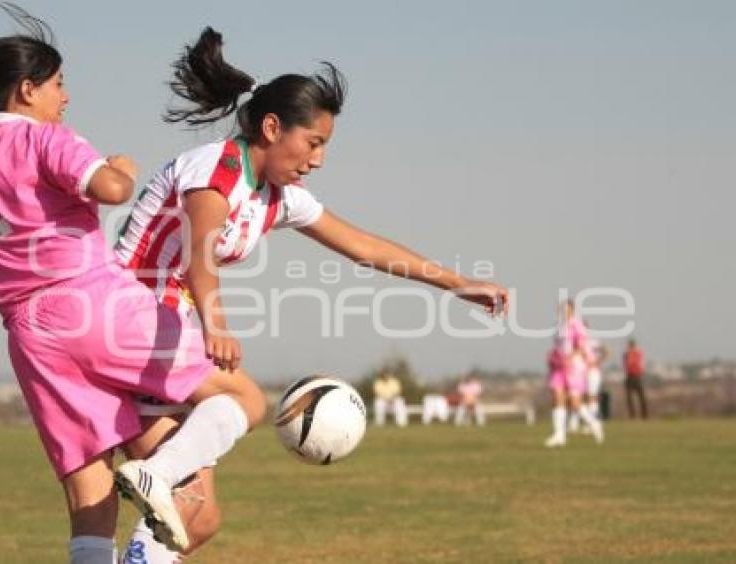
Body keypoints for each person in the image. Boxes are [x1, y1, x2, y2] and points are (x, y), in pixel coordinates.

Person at [113, 26, 509, 561]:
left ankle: (148, 499)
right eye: (314, 142)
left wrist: (459, 284)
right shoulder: (217, 169)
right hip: (128, 317)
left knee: (200, 519)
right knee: (245, 399)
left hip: (164, 331)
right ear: (272, 127)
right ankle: (152, 474)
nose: (318, 159)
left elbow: (363, 246)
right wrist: (216, 322)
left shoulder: (276, 196)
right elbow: (199, 254)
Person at [0, 6, 263, 561]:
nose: (65, 97)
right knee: (244, 397)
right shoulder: (46, 140)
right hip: (94, 303)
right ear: (27, 90)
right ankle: (158, 473)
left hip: (30, 336)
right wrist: (119, 166)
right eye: (58, 84)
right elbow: (113, 190)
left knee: (89, 499)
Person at [544, 299, 603, 447]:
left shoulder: (577, 326)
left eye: (567, 309)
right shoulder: (558, 327)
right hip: (559, 366)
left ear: (572, 310)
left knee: (575, 402)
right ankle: (559, 435)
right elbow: (557, 345)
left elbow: (581, 346)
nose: (564, 311)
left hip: (573, 367)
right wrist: (553, 357)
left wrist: (571, 357)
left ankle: (594, 423)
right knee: (557, 397)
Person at [623, 338, 648, 419]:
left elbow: (639, 363)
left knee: (641, 397)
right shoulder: (627, 354)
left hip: (637, 376)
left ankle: (644, 415)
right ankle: (632, 415)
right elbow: (626, 364)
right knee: (629, 398)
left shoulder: (637, 353)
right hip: (629, 376)